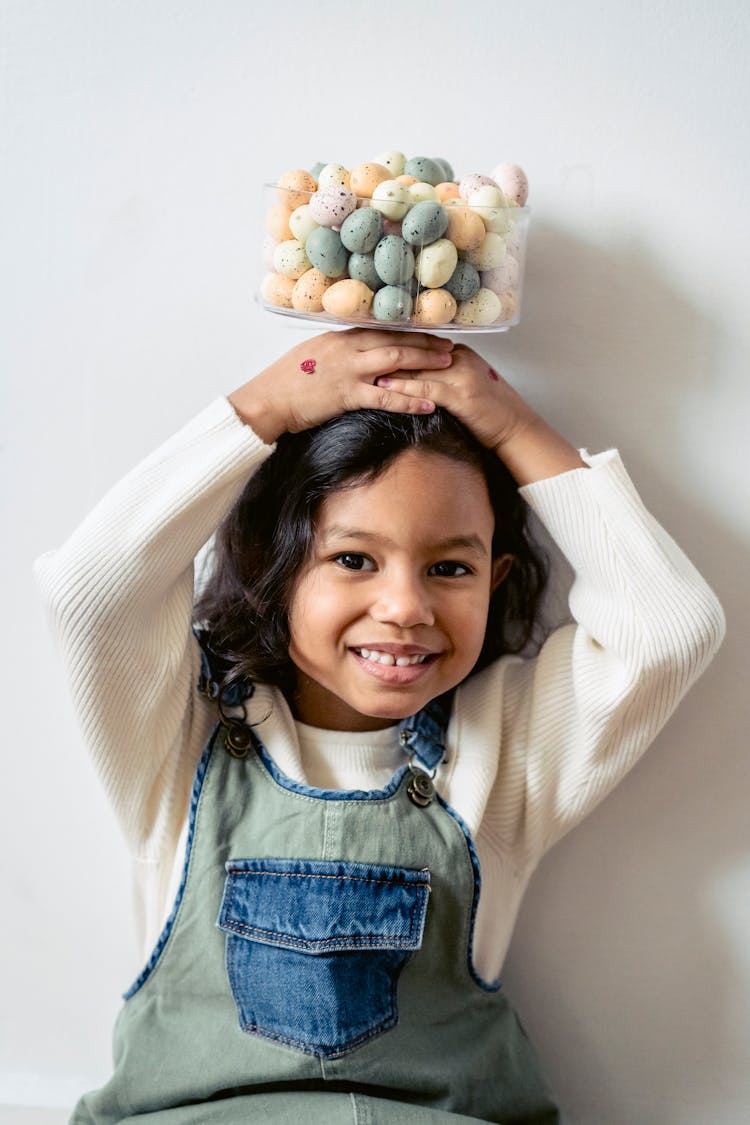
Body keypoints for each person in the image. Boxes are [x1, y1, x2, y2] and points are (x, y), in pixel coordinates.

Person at [36, 329, 725, 1124]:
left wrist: (510, 425)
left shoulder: (501, 744)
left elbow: (669, 629)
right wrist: (267, 405)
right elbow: (92, 595)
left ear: (495, 578)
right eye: (354, 559)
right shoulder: (177, 740)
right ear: (276, 561)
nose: (405, 606)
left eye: (450, 567)